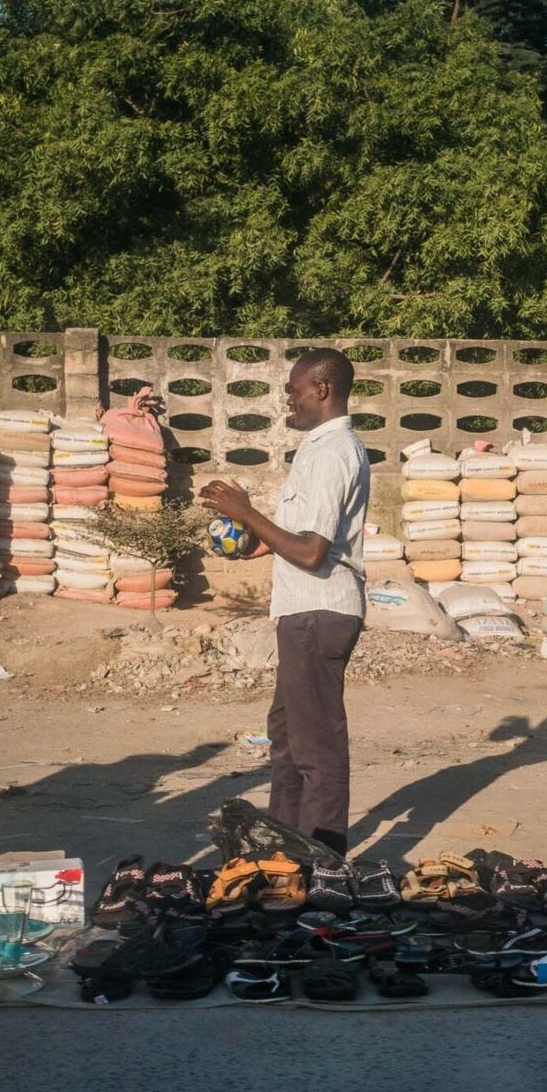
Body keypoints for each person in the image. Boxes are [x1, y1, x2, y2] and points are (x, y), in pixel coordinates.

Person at [199, 348, 369, 855]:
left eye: (294, 391)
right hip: (304, 610)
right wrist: (256, 540)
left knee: (316, 748)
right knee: (288, 739)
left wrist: (245, 513)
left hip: (319, 612)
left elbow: (313, 551)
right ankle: (280, 852)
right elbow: (303, 541)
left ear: (322, 390)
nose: (288, 402)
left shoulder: (331, 453)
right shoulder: (320, 450)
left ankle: (323, 859)